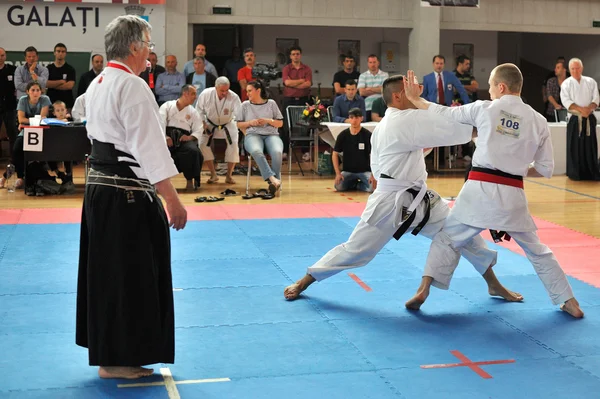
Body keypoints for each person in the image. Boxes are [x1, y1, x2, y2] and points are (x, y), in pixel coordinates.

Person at [284, 75, 521, 305]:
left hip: (419, 198)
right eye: (410, 91)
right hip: (390, 202)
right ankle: (305, 281)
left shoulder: (388, 123)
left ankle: (493, 283)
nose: (416, 94)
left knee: (463, 234)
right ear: (398, 96)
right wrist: (489, 123)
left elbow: (398, 155)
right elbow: (452, 128)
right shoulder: (405, 120)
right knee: (356, 250)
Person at [403, 65, 584, 318]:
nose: (489, 90)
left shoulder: (485, 108)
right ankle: (569, 300)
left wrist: (414, 99)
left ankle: (424, 289)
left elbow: (444, 113)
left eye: (490, 85)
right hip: (513, 194)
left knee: (447, 239)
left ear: (501, 87)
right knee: (537, 251)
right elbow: (545, 169)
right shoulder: (538, 120)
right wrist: (514, 169)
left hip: (478, 191)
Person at [76, 15, 188, 380]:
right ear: (135, 47)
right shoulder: (133, 85)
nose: (151, 53)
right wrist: (172, 200)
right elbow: (149, 148)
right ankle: (120, 361)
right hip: (125, 195)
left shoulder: (98, 83)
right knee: (131, 274)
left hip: (99, 190)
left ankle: (111, 356)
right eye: (149, 45)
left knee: (109, 275)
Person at [236, 80, 284, 196]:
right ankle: (273, 179)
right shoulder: (245, 105)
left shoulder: (271, 103)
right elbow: (238, 124)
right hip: (253, 134)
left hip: (271, 134)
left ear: (258, 91)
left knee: (277, 152)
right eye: (247, 91)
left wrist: (268, 121)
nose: (247, 94)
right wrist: (250, 123)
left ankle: (274, 182)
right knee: (257, 151)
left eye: (250, 91)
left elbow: (280, 123)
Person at [195, 76, 242, 184]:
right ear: (215, 87)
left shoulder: (234, 97)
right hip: (209, 124)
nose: (225, 93)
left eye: (227, 90)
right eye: (222, 90)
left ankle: (229, 175)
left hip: (228, 124)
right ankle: (213, 174)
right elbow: (199, 110)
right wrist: (203, 123)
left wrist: (238, 124)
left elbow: (239, 115)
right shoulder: (206, 94)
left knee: (234, 145)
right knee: (202, 144)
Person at [559, 58, 600, 181]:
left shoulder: (590, 81)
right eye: (572, 69)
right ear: (569, 70)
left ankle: (591, 172)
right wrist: (581, 110)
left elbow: (596, 98)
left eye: (577, 68)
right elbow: (566, 101)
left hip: (589, 117)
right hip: (575, 118)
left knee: (590, 146)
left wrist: (589, 108)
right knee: (575, 146)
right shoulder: (566, 83)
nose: (575, 71)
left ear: (581, 69)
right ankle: (575, 173)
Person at [159, 84, 204, 191]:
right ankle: (161, 183)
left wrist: (190, 137)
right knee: (158, 153)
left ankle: (190, 180)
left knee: (193, 151)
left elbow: (199, 128)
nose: (195, 97)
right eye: (193, 94)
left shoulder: (193, 111)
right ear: (185, 94)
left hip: (183, 138)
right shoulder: (167, 106)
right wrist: (165, 137)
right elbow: (159, 122)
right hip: (167, 136)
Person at [11, 81, 52, 191]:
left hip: (42, 130)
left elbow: (43, 118)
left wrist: (26, 121)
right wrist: (30, 121)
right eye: (32, 90)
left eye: (37, 90)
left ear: (41, 92)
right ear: (27, 92)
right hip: (26, 130)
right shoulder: (23, 100)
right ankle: (20, 176)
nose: (35, 92)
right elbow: (21, 119)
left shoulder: (45, 99)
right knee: (17, 149)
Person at [332, 108, 376, 192]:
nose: (354, 120)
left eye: (357, 118)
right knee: (339, 186)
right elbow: (335, 154)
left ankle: (359, 185)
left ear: (361, 118)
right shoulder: (343, 135)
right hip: (348, 171)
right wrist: (338, 173)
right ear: (349, 119)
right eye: (352, 118)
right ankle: (353, 184)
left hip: (364, 171)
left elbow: (373, 155)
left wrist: (373, 174)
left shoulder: (367, 135)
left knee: (372, 188)